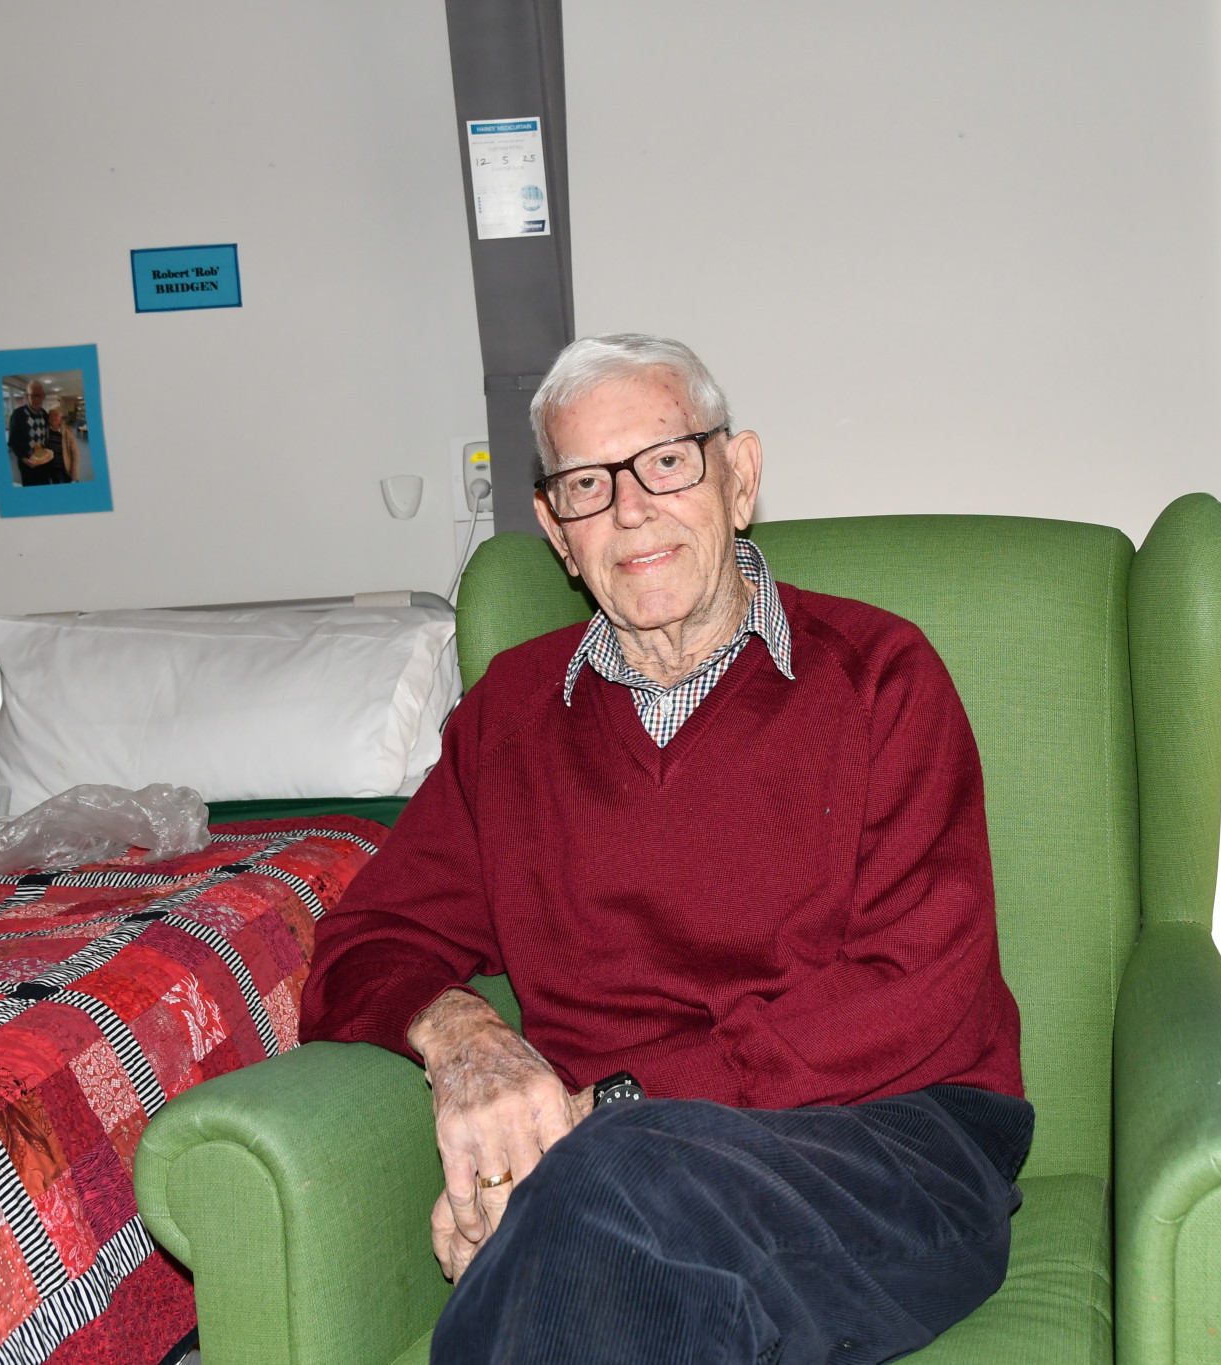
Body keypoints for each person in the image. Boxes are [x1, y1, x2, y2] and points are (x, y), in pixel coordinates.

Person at [299, 334, 1026, 1365]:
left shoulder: (879, 675)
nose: (630, 507)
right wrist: (464, 1037)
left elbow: (917, 985)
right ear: (555, 530)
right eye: (587, 486)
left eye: (667, 461)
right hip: (610, 1182)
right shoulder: (506, 716)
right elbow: (360, 947)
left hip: (897, 1142)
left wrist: (616, 1106)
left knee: (606, 1193)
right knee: (612, 1231)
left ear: (739, 477)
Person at [7, 379, 67, 485]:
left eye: (39, 395)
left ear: (43, 395)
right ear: (27, 396)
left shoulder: (43, 413)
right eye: (33, 396)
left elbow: (53, 425)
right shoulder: (18, 415)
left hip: (44, 462)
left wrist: (65, 427)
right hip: (27, 465)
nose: (37, 399)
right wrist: (25, 459)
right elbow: (12, 442)